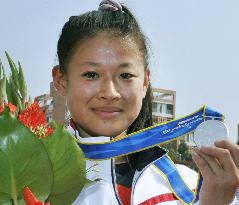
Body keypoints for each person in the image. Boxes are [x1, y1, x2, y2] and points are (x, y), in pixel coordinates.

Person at [52, 1, 239, 204]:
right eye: (91, 74)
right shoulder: (29, 181)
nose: (110, 92)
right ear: (61, 80)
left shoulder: (196, 187)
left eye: (125, 75)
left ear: (145, 81)